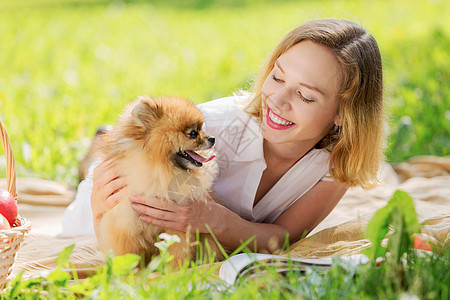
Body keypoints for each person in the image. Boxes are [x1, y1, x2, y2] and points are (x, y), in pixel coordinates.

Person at [62, 19, 385, 253]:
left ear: (344, 114)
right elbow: (115, 225)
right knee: (94, 177)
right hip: (114, 194)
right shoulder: (214, 125)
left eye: (306, 96)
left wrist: (215, 221)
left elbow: (285, 237)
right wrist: (97, 206)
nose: (277, 100)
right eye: (277, 77)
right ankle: (94, 154)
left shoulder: (337, 162)